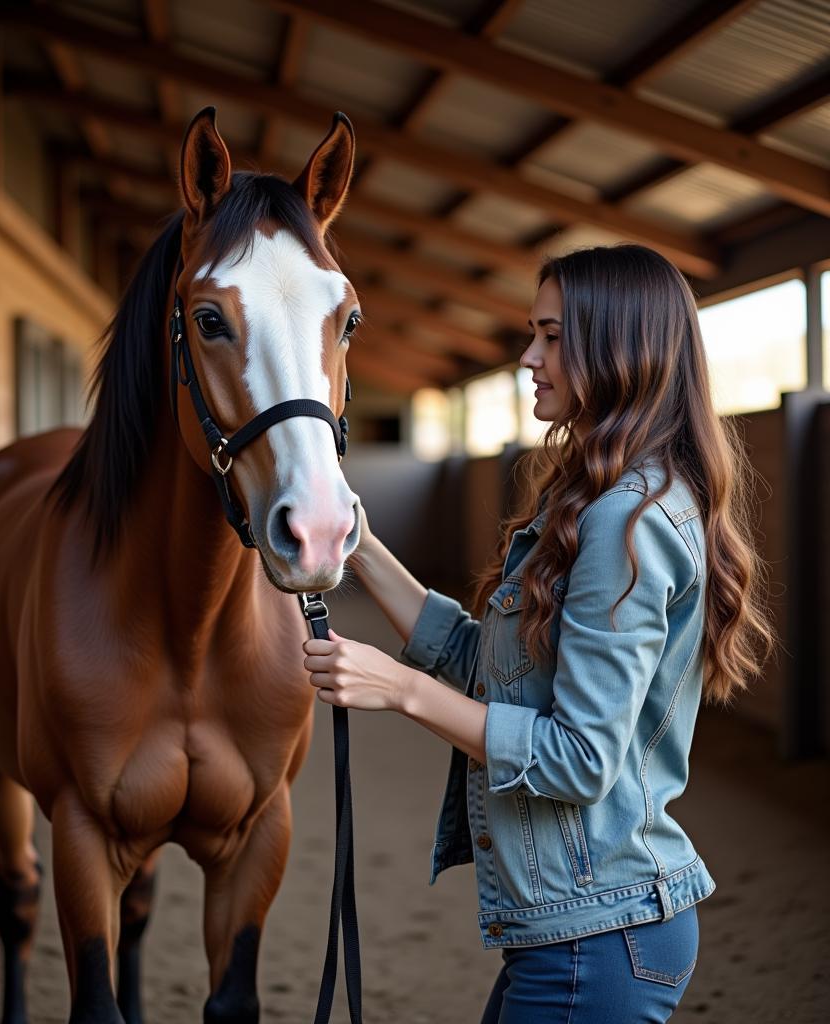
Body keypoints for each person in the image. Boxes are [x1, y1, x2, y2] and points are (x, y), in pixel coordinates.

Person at [301, 244, 774, 1023]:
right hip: (585, 933)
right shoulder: (596, 495)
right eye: (533, 333)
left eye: (551, 336)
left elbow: (580, 758)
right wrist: (358, 541)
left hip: (600, 939)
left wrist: (401, 690)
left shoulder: (626, 518)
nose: (529, 356)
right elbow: (483, 662)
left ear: (618, 347)